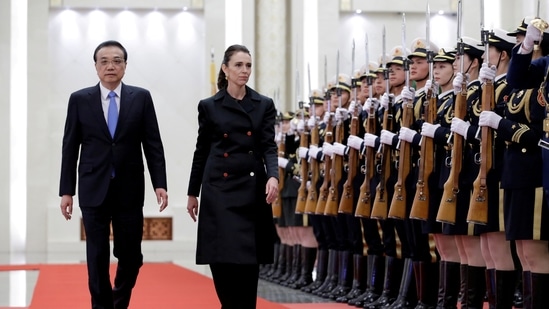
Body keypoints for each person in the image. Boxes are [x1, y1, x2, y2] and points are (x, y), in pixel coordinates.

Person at [59, 40, 168, 309]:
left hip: (129, 189)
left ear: (125, 66)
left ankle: (118, 302)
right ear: (95, 66)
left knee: (131, 256)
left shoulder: (140, 98)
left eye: (117, 61)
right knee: (96, 257)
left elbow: (153, 144)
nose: (111, 66)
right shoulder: (79, 99)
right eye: (104, 61)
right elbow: (70, 147)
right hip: (92, 188)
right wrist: (66, 191)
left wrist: (160, 184)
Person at [186, 44, 279, 309]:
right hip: (219, 191)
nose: (245, 71)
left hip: (251, 191)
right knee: (221, 260)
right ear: (225, 69)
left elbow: (268, 146)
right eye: (238, 65)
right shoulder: (209, 106)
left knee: (248, 263)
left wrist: (272, 176)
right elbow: (201, 151)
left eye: (248, 65)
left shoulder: (263, 104)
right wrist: (193, 193)